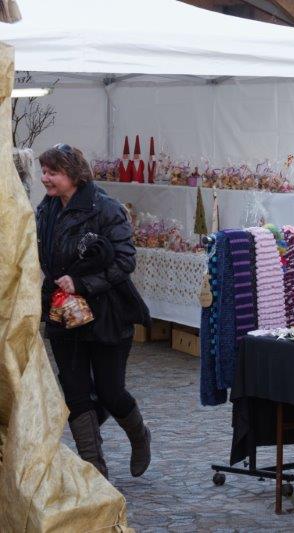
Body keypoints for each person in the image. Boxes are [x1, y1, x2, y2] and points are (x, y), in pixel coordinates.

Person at [36, 143, 151, 479]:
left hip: (107, 313)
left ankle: (139, 435)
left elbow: (125, 261)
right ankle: (94, 471)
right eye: (44, 171)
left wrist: (82, 283)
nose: (45, 178)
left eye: (52, 172)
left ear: (73, 174)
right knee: (75, 393)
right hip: (62, 313)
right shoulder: (45, 210)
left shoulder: (105, 208)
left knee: (110, 392)